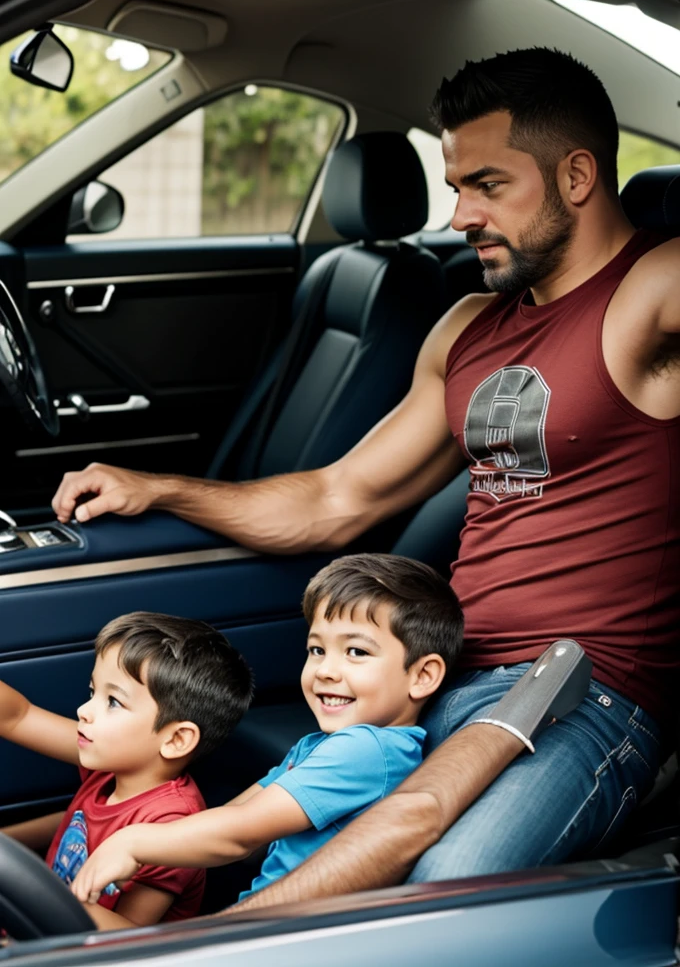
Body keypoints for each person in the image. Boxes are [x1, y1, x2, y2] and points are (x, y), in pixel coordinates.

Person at [51, 47, 679, 902]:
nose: (460, 215)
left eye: (488, 185)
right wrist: (161, 488)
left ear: (577, 176)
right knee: (316, 872)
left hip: (588, 689)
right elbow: (338, 498)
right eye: (456, 186)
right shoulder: (466, 327)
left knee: (443, 888)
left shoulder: (653, 286)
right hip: (435, 675)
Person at [69, 553, 463, 907]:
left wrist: (133, 842)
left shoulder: (369, 751)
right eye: (317, 650)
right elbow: (235, 815)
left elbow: (239, 835)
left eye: (356, 652)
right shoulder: (326, 746)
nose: (325, 669)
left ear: (423, 675)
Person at [0, 612, 253, 930]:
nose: (84, 711)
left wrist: (27, 892)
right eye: (93, 693)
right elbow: (17, 717)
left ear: (176, 739)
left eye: (113, 702)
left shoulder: (172, 826)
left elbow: (129, 934)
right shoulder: (111, 765)